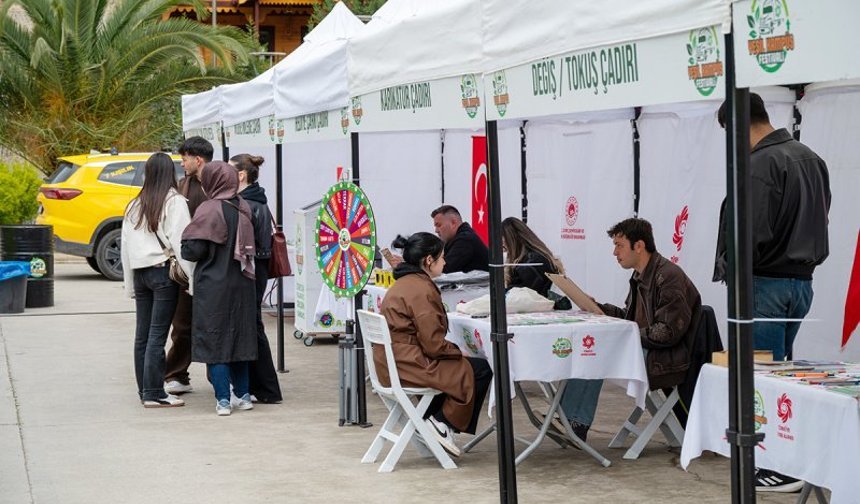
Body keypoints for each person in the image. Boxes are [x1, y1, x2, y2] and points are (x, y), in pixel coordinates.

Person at [715, 93, 831, 494]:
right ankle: (786, 459)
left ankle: (778, 465)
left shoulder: (760, 164)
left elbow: (750, 234)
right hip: (801, 282)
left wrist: (736, 275)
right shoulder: (810, 158)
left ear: (736, 125)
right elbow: (822, 215)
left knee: (762, 380)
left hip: (764, 283)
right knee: (779, 376)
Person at [557, 218, 702, 442]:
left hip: (667, 359)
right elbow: (629, 318)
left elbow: (666, 333)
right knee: (588, 349)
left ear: (639, 246)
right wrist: (598, 308)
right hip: (650, 351)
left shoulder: (668, 276)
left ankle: (575, 423)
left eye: (619, 245)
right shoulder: (640, 275)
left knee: (594, 353)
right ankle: (566, 419)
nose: (615, 252)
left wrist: (624, 334)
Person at [380, 232, 493, 457]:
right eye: (442, 257)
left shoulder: (404, 283)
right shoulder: (422, 290)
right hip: (409, 364)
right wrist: (455, 351)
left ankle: (432, 421)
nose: (446, 262)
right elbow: (433, 345)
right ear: (428, 261)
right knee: (480, 369)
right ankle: (442, 423)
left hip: (391, 362)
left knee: (461, 366)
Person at [181, 161, 258, 416]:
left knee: (216, 340)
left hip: (214, 287)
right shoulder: (243, 206)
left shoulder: (209, 209)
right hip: (243, 284)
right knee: (240, 338)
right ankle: (244, 395)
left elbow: (194, 250)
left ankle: (223, 399)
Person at [121, 153, 194, 408]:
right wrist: (192, 279)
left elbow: (125, 248)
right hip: (163, 273)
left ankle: (146, 390)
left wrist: (129, 284)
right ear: (170, 173)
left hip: (141, 273)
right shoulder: (174, 201)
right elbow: (181, 242)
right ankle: (155, 393)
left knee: (142, 335)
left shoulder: (134, 204)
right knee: (157, 335)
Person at [228, 154, 283, 404]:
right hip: (256, 268)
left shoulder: (247, 203)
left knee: (252, 326)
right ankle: (261, 386)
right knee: (253, 325)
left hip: (253, 269)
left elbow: (255, 244)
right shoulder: (255, 200)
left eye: (230, 170)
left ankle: (265, 387)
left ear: (241, 175)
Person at [163, 136, 211, 396]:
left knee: (215, 324)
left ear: (198, 159)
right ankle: (176, 374)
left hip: (214, 266)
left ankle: (218, 376)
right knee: (182, 325)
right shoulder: (182, 186)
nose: (182, 163)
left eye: (184, 158)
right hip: (186, 266)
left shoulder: (216, 184)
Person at [500, 217, 565, 296]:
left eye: (502, 238)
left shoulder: (532, 261)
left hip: (533, 305)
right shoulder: (533, 258)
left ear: (511, 238)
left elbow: (524, 293)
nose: (501, 243)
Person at [431, 205, 489, 273]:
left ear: (453, 222)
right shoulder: (460, 238)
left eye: (439, 225)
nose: (436, 230)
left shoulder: (465, 240)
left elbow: (443, 270)